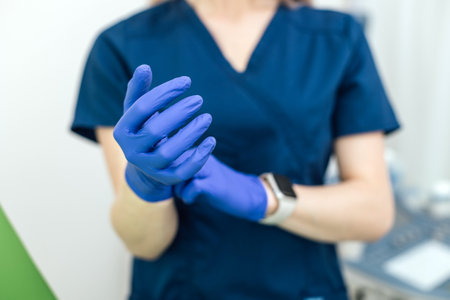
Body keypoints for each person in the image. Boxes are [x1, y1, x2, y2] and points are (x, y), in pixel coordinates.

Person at [71, 0, 400, 299]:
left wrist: (262, 196)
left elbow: (373, 213)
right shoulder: (121, 46)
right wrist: (146, 184)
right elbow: (142, 244)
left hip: (305, 287)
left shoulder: (337, 38)